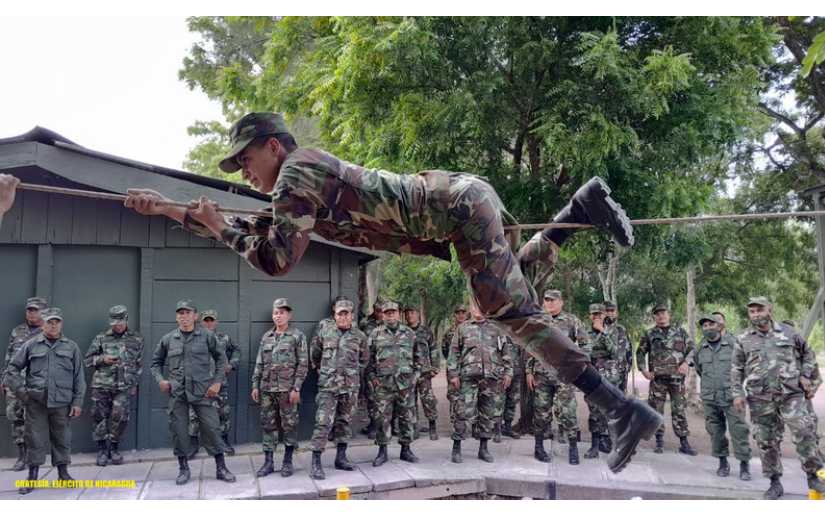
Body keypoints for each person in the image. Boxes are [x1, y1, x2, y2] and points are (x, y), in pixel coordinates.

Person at [124, 111, 662, 473]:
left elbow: (275, 260)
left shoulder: (294, 175)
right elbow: (256, 233)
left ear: (272, 146)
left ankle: (618, 407)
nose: (245, 172)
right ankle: (578, 209)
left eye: (245, 160)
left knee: (506, 311)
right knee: (510, 292)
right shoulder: (297, 187)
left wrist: (218, 226)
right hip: (460, 202)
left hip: (456, 209)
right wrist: (170, 209)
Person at [731, 297, 824, 499]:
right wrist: (737, 393)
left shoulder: (789, 333)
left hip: (791, 394)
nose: (756, 314)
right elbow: (737, 368)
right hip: (760, 398)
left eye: (760, 310)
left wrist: (805, 375)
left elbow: (808, 354)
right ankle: (774, 483)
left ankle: (813, 476)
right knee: (766, 440)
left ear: (769, 310)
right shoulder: (743, 339)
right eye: (752, 311)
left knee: (804, 431)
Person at [150, 300, 235, 485]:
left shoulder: (206, 336)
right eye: (180, 313)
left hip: (203, 391)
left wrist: (217, 382)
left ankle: (221, 468)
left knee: (212, 428)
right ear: (176, 317)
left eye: (188, 313)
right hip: (178, 393)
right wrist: (160, 380)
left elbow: (221, 359)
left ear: (195, 316)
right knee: (179, 431)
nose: (184, 317)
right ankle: (183, 469)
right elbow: (155, 363)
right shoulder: (168, 339)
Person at [4, 308, 85, 495]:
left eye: (57, 322)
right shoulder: (31, 345)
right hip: (36, 403)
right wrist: (22, 393)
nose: (53, 325)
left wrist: (77, 402)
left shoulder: (71, 347)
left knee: (62, 438)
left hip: (62, 403)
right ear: (43, 324)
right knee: (34, 439)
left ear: (61, 324)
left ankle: (63, 475)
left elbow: (79, 377)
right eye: (49, 322)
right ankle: (32, 477)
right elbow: (12, 369)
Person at [308, 298, 369, 479]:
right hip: (328, 386)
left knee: (345, 422)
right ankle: (316, 462)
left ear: (352, 316)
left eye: (346, 314)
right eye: (339, 314)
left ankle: (340, 458)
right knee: (323, 423)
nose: (343, 317)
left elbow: (364, 360)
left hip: (349, 387)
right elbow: (315, 354)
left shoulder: (360, 336)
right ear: (334, 316)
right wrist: (323, 371)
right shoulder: (325, 332)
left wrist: (351, 374)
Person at [448, 301, 513, 463]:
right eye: (474, 306)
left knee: (487, 413)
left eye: (480, 306)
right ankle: (456, 447)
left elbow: (505, 352)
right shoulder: (463, 328)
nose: (477, 310)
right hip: (468, 377)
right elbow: (454, 352)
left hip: (491, 378)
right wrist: (453, 374)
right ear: (470, 308)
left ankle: (483, 448)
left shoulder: (497, 328)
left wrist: (508, 372)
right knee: (461, 411)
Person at [251, 298, 308, 478]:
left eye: (282, 313)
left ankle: (287, 462)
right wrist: (255, 385)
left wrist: (296, 388)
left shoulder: (297, 336)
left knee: (289, 425)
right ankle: (268, 463)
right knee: (268, 425)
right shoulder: (266, 337)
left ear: (289, 315)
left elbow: (303, 364)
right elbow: (259, 363)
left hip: (287, 389)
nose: (278, 316)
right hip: (267, 389)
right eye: (276, 313)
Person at [366, 301, 426, 466]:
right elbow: (368, 359)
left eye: (393, 312)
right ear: (382, 315)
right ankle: (382, 451)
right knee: (382, 419)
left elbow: (419, 358)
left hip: (405, 385)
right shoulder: (375, 334)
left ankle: (406, 450)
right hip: (383, 385)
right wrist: (373, 378)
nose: (390, 315)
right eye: (387, 312)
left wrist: (415, 377)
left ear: (398, 314)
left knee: (406, 418)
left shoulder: (409, 333)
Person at [84, 305, 144, 466]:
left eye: (120, 322)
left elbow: (139, 364)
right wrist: (102, 359)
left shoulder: (137, 339)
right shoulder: (101, 337)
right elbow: (87, 360)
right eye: (114, 323)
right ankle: (102, 450)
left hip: (123, 386)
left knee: (120, 417)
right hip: (101, 385)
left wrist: (134, 384)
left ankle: (114, 448)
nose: (117, 325)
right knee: (99, 417)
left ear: (126, 319)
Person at [694, 314, 751, 480]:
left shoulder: (733, 344)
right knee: (715, 431)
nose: (708, 328)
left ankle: (744, 465)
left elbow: (744, 367)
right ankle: (723, 463)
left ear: (719, 326)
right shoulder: (700, 348)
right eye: (704, 326)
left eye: (711, 324)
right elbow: (699, 369)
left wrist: (736, 388)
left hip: (732, 396)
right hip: (710, 397)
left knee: (739, 430)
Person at [636, 304, 698, 455]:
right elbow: (640, 352)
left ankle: (684, 443)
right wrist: (643, 370)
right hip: (658, 379)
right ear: (654, 317)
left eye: (663, 313)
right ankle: (659, 441)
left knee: (679, 410)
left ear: (668, 315)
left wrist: (686, 363)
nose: (661, 316)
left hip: (677, 379)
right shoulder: (649, 333)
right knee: (656, 411)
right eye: (657, 314)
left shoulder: (680, 332)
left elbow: (692, 350)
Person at [2, 296, 47, 471]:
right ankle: (21, 456)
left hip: (35, 384)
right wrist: (4, 378)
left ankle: (32, 455)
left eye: (35, 310)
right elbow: (9, 356)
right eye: (29, 310)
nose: (31, 314)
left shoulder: (48, 332)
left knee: (34, 420)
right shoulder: (17, 331)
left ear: (43, 312)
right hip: (15, 383)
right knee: (15, 417)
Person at [188, 309, 240, 457]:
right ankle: (193, 444)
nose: (209, 323)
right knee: (194, 415)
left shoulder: (224, 338)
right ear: (201, 322)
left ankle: (224, 441)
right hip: (198, 384)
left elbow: (236, 350)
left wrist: (231, 364)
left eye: (212, 320)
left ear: (216, 322)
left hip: (219, 383)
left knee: (223, 413)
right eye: (206, 320)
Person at [583, 304, 622, 459]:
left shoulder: (613, 331)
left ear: (604, 315)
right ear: (589, 316)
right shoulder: (585, 332)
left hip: (610, 376)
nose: (596, 317)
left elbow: (615, 353)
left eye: (599, 314)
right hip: (592, 376)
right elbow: (584, 352)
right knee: (594, 411)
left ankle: (612, 444)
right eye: (593, 314)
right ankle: (594, 446)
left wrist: (603, 332)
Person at [403, 304, 440, 440]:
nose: (409, 315)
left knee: (428, 400)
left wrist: (435, 367)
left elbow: (434, 349)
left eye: (412, 312)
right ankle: (414, 428)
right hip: (408, 372)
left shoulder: (426, 331)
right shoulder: (403, 331)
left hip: (424, 372)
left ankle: (432, 427)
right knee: (410, 402)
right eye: (407, 313)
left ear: (418, 314)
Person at [604, 301, 632, 393]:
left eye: (612, 311)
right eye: (607, 311)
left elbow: (629, 349)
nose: (610, 313)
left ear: (616, 313)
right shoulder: (598, 330)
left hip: (621, 372)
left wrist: (628, 366)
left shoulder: (622, 329)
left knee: (621, 398)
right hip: (605, 372)